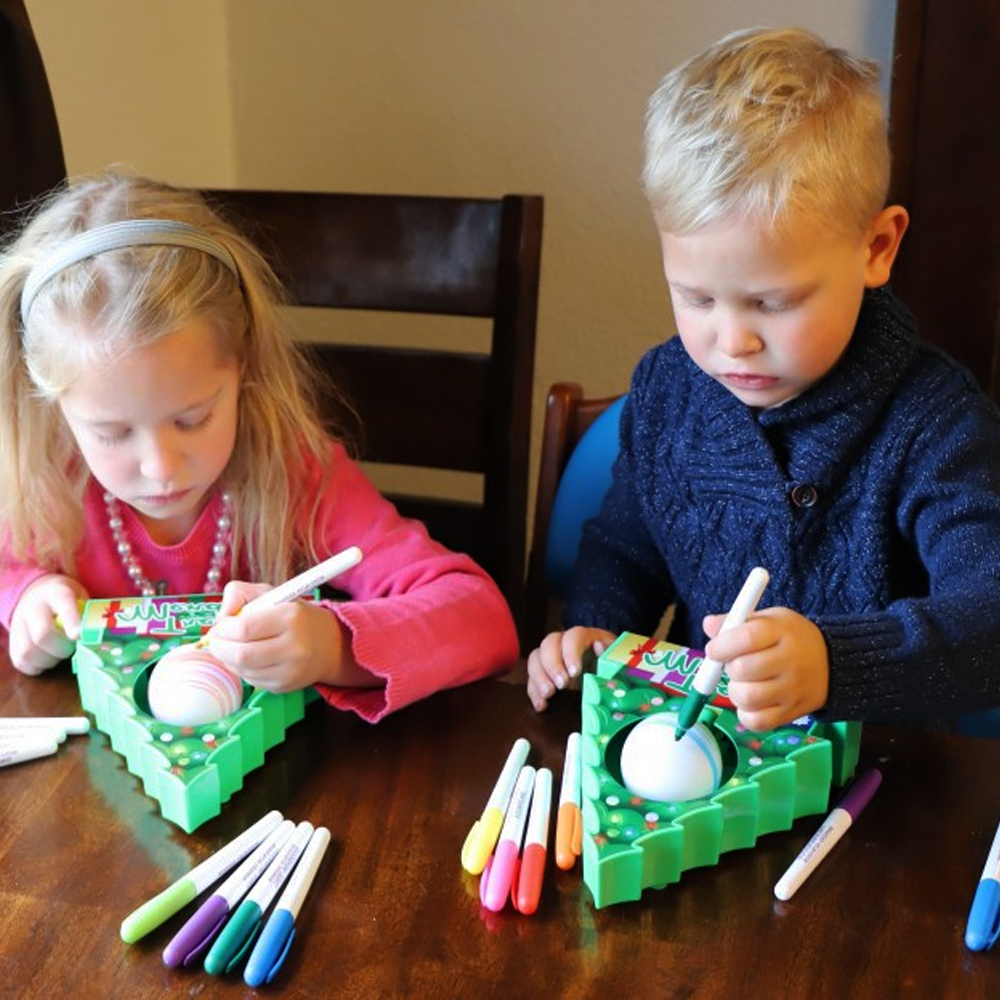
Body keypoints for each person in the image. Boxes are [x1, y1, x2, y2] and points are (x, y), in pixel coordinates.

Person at [527, 26, 1000, 731]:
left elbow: (989, 615)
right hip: (716, 766)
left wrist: (838, 664)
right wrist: (597, 634)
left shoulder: (935, 424)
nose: (731, 341)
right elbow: (625, 550)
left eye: (773, 303)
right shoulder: (667, 390)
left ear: (876, 248)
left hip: (891, 785)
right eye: (695, 298)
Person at [0, 168, 518, 722]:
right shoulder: (39, 476)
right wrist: (26, 597)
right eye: (111, 434)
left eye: (193, 419)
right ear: (52, 405)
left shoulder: (293, 472)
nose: (161, 467)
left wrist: (330, 648)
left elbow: (483, 619)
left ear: (243, 366)